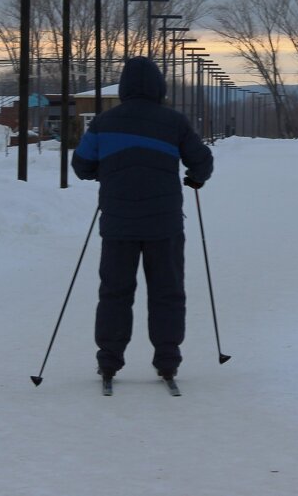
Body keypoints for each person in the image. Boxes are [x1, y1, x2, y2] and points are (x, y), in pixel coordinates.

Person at [71, 56, 213, 382]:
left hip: (118, 223)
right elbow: (202, 162)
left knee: (115, 292)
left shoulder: (104, 123)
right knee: (167, 292)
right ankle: (167, 360)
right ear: (159, 87)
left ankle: (108, 360)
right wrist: (195, 178)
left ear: (123, 87)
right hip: (164, 225)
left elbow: (81, 166)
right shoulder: (174, 122)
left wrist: (103, 171)